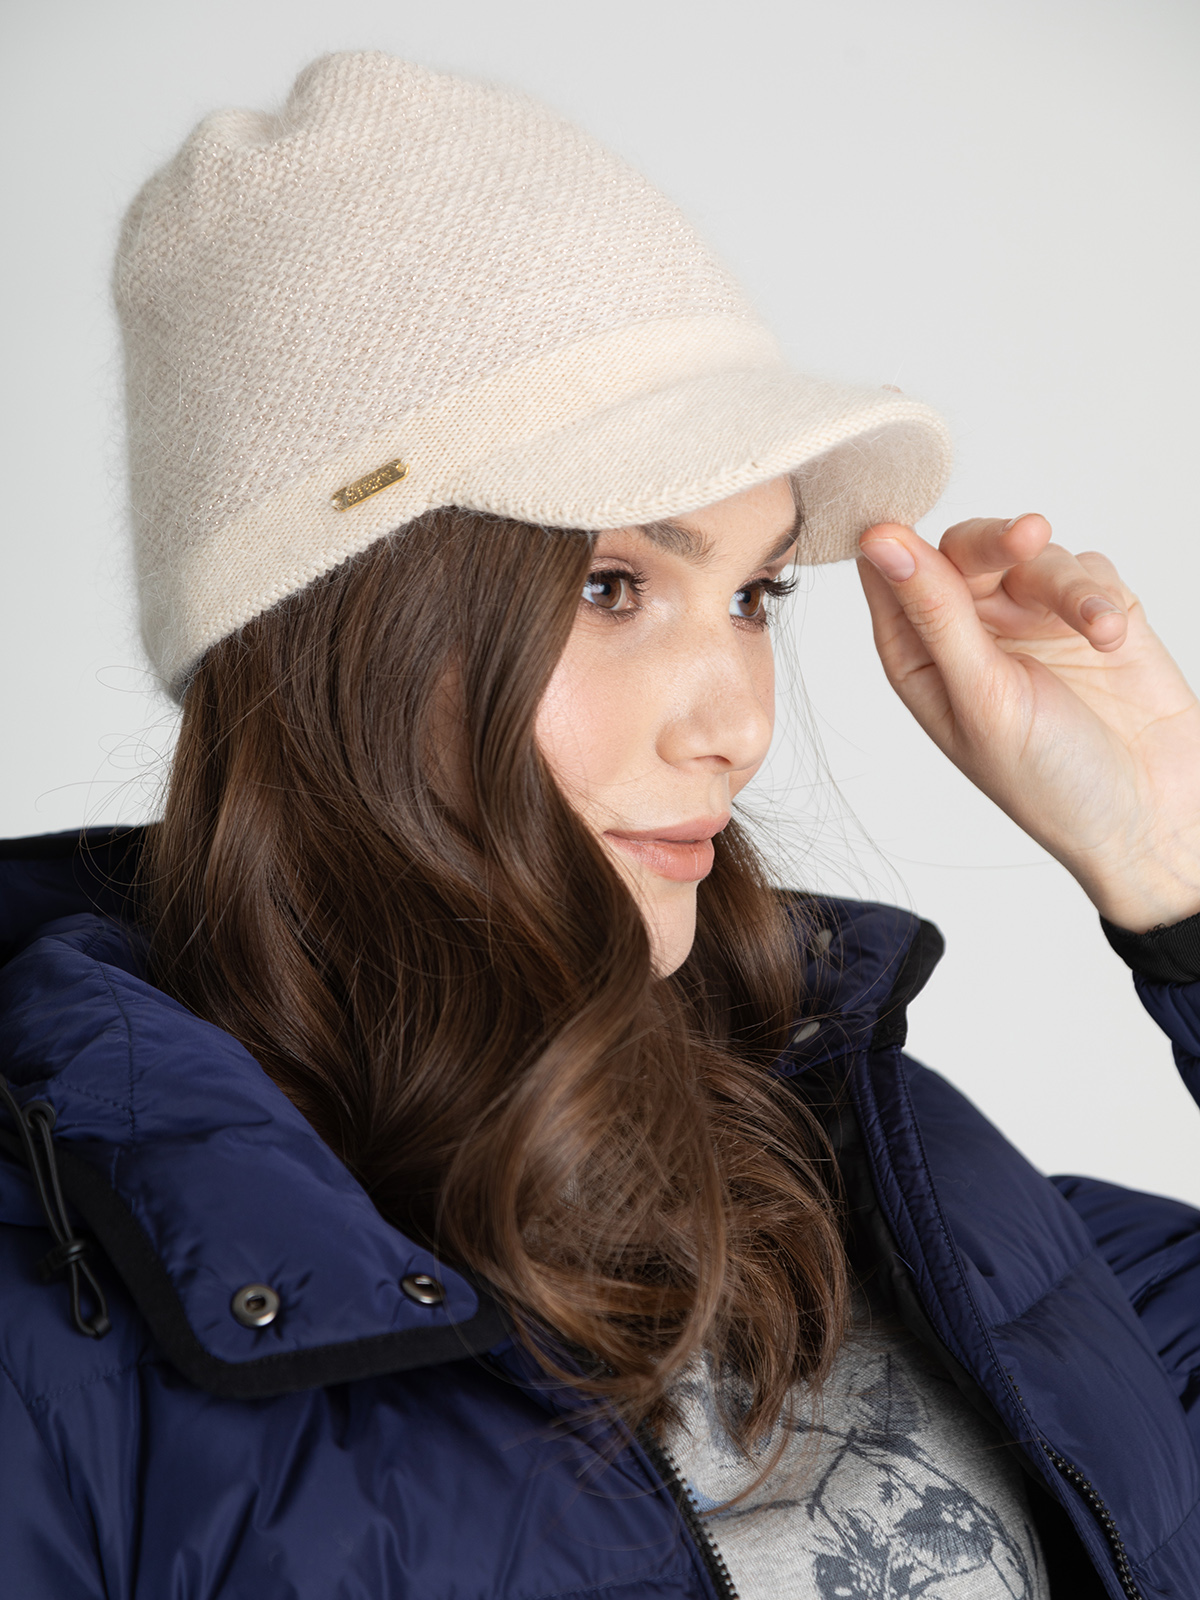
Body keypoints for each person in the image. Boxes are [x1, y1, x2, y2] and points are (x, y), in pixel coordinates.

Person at [1, 50, 1198, 1600]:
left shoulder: (885, 1177)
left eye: (756, 595)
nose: (738, 722)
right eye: (611, 584)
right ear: (333, 633)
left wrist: (1174, 871)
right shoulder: (63, 1321)